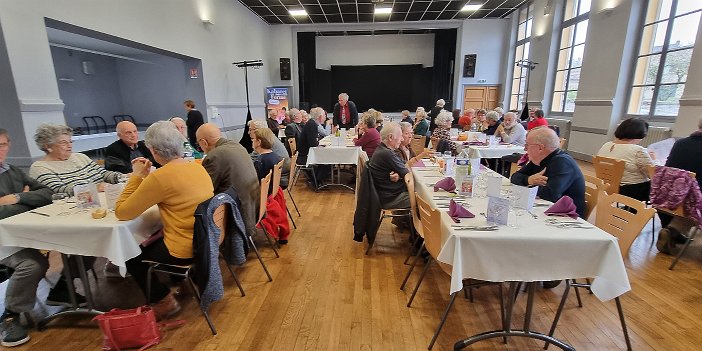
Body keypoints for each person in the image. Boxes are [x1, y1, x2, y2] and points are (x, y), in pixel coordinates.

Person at [0, 128, 90, 347]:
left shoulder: (12, 171)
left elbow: (47, 194)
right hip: (4, 240)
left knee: (86, 243)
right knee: (32, 264)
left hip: (27, 230)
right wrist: (26, 202)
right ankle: (10, 316)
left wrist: (17, 197)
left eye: (2, 145)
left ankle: (62, 291)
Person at [115, 121, 214, 320]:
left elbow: (122, 212)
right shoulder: (197, 166)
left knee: (128, 252)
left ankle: (163, 300)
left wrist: (136, 177)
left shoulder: (160, 177)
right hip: (207, 240)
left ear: (152, 150)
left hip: (185, 248)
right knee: (155, 236)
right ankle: (184, 282)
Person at [196, 123, 260, 240]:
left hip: (238, 212)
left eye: (198, 144)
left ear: (204, 143)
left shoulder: (214, 156)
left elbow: (207, 190)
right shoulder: (237, 145)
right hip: (253, 206)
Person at [511, 127, 586, 218]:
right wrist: (529, 180)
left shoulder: (562, 162)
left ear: (540, 148)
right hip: (546, 210)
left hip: (566, 217)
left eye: (527, 145)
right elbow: (514, 177)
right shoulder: (538, 160)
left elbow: (550, 195)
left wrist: (529, 185)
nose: (525, 149)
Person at [29, 124, 121, 195]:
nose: (70, 146)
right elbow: (59, 191)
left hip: (101, 197)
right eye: (63, 143)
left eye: (70, 141)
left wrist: (124, 177)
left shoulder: (79, 157)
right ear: (48, 146)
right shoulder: (39, 167)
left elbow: (104, 174)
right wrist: (93, 188)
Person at [656, 117, 702, 252]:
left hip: (670, 198)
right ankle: (673, 231)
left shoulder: (680, 143)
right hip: (693, 202)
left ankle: (672, 231)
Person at [596, 118, 654, 202]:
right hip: (629, 190)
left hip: (606, 185)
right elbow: (651, 173)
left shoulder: (606, 145)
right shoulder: (638, 150)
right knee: (660, 184)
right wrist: (654, 159)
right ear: (640, 134)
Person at [368, 122, 411, 213]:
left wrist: (399, 174)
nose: (402, 139)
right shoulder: (387, 154)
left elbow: (405, 165)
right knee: (424, 198)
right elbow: (407, 172)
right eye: (400, 136)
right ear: (390, 137)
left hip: (386, 195)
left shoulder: (382, 150)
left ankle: (405, 223)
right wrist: (402, 173)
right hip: (390, 198)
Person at [298, 107, 331, 188]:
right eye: (324, 115)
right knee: (328, 160)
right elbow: (313, 143)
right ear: (320, 117)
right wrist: (319, 144)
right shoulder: (312, 125)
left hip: (307, 152)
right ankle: (316, 181)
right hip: (305, 155)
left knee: (327, 158)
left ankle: (317, 179)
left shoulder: (312, 123)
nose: (325, 117)